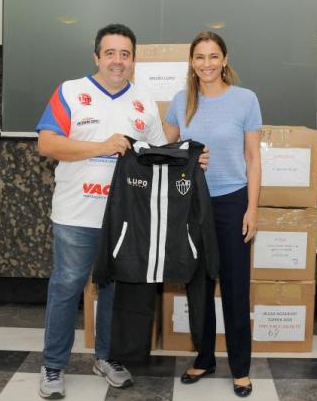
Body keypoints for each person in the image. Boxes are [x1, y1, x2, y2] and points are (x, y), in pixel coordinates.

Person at [34, 23, 208, 399]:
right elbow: (46, 144)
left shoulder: (143, 100)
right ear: (96, 56)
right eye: (110, 53)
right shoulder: (70, 91)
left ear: (134, 59)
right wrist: (101, 146)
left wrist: (193, 157)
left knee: (114, 290)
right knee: (66, 287)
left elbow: (159, 154)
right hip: (76, 214)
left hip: (127, 220)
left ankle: (107, 357)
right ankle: (53, 365)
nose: (117, 60)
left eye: (125, 54)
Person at [163, 31, 261, 398]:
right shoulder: (180, 100)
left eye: (213, 56)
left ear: (225, 59)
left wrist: (252, 208)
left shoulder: (245, 100)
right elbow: (166, 151)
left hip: (233, 202)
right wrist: (186, 151)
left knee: (235, 288)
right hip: (192, 205)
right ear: (191, 62)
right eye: (200, 57)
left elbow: (253, 158)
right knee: (198, 286)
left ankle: (240, 367)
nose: (207, 63)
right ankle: (204, 357)